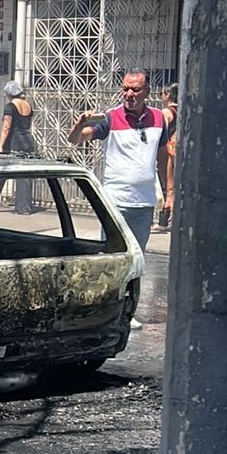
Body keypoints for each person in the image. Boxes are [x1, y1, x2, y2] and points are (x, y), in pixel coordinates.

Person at [67, 68, 170, 330]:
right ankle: (105, 312)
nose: (129, 94)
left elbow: (163, 158)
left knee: (136, 261)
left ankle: (127, 312)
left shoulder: (159, 119)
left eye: (135, 89)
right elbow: (75, 139)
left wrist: (170, 192)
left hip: (144, 204)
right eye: (125, 89)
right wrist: (79, 124)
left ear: (147, 92)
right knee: (111, 259)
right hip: (115, 203)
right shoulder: (110, 118)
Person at [0, 80, 34, 215]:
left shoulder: (10, 107)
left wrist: (0, 146)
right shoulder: (28, 105)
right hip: (28, 142)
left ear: (9, 94)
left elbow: (6, 127)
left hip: (14, 142)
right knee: (24, 176)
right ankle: (24, 208)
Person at [154, 83, 179, 232]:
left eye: (161, 94)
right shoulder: (182, 109)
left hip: (167, 151)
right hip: (177, 151)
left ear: (168, 94)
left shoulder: (166, 112)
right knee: (174, 187)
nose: (161, 97)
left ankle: (164, 221)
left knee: (167, 187)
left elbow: (160, 131)